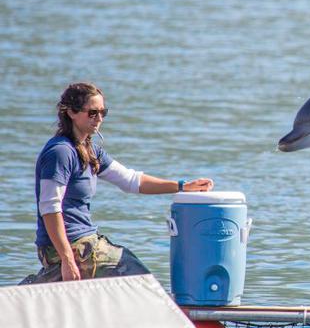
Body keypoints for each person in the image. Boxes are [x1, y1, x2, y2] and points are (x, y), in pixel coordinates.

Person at [22, 82, 214, 285]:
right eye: (93, 113)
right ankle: (51, 276)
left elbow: (132, 181)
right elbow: (50, 208)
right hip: (65, 247)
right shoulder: (60, 153)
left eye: (103, 112)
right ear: (71, 112)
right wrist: (68, 260)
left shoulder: (90, 151)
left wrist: (182, 186)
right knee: (138, 280)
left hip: (86, 241)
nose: (99, 119)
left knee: (128, 265)